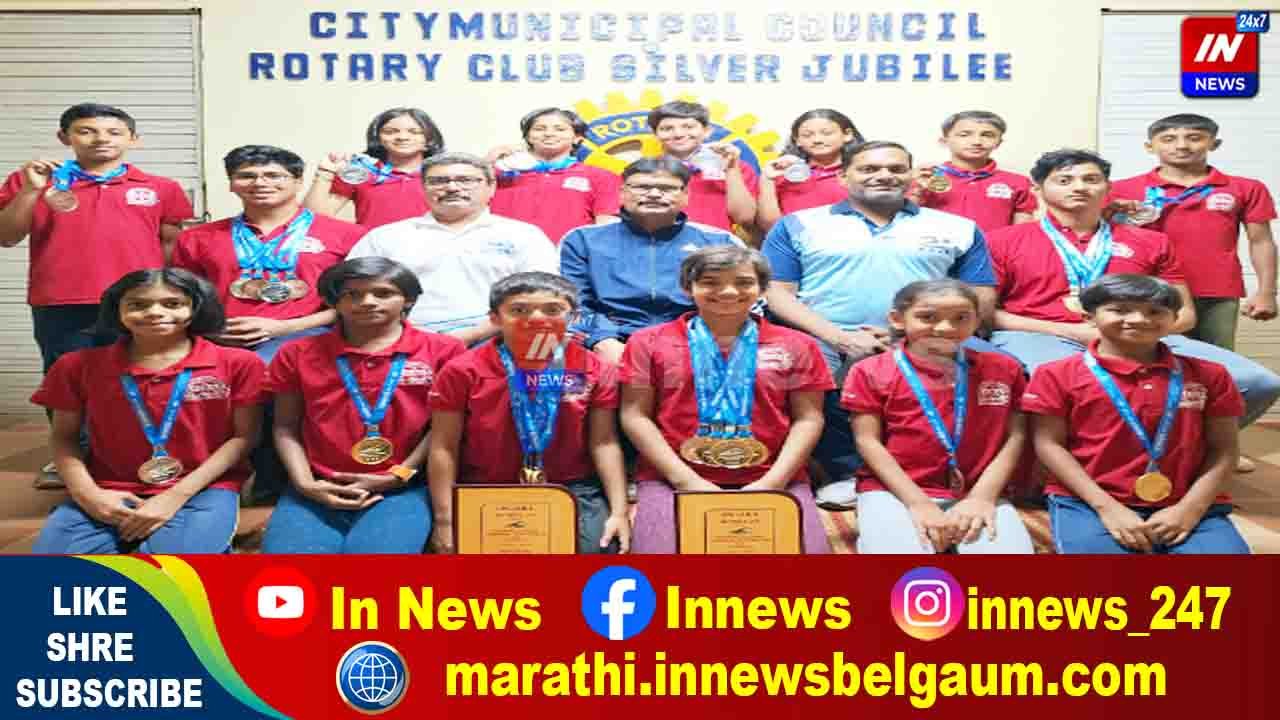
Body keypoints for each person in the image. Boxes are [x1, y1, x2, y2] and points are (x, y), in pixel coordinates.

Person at [762, 140, 996, 509]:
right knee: (801, 366)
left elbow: (980, 295)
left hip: (930, 332)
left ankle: (948, 473)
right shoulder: (800, 224)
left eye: (896, 168)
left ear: (910, 175)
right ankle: (844, 473)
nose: (884, 175)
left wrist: (909, 334)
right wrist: (839, 337)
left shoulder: (957, 227)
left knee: (998, 369)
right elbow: (776, 293)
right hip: (823, 333)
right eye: (869, 169)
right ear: (843, 176)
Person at [986, 148, 1280, 428]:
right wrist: (1074, 332)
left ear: (1108, 188)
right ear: (1038, 189)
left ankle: (1186, 446)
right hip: (1043, 334)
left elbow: (1185, 315)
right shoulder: (1002, 241)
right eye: (1064, 180)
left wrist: (1136, 333)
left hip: (1141, 334)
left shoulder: (1151, 242)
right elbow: (987, 314)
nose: (1079, 187)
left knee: (1258, 382)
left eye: (1091, 179)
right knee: (1077, 383)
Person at [0, 103, 194, 488]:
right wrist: (31, 191)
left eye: (114, 132)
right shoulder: (34, 181)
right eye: (86, 131)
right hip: (62, 301)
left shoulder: (160, 187)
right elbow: (6, 236)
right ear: (65, 138)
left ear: (133, 140)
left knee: (146, 377)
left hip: (143, 304)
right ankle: (72, 456)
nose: (101, 139)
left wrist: (173, 298)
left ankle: (146, 453)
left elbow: (172, 246)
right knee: (67, 382)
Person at [30, 269, 263, 553]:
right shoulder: (76, 366)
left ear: (196, 307)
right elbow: (64, 438)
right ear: (117, 310)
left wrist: (175, 496)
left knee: (176, 569)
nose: (154, 312)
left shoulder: (239, 363)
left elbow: (244, 437)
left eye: (173, 303)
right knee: (55, 571)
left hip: (203, 488)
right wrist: (87, 494)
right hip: (107, 487)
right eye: (137, 304)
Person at [620, 246, 832, 554]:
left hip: (774, 476)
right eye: (710, 282)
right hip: (671, 477)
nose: (729, 291)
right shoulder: (648, 342)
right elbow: (635, 415)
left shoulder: (797, 345)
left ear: (762, 289)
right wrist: (685, 481)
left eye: (744, 282)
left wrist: (773, 481)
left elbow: (809, 418)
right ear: (687, 287)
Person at [1024, 274, 1249, 554]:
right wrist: (1107, 508)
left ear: (1175, 319)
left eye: (1155, 312)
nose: (1140, 319)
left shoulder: (1210, 375)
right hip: (1087, 500)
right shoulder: (1055, 374)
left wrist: (1190, 508)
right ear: (1088, 316)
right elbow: (1049, 444)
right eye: (1119, 310)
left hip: (1186, 499)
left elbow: (1224, 450)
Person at [261, 258, 464, 554]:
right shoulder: (296, 352)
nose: (367, 301)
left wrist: (399, 475)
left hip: (404, 487)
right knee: (288, 569)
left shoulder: (444, 350)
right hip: (317, 485)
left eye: (383, 293)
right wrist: (304, 483)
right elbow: (285, 426)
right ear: (333, 302)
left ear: (408, 299)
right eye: (352, 294)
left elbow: (443, 431)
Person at [427, 272, 631, 554]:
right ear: (495, 318)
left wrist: (619, 511)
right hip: (483, 488)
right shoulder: (462, 370)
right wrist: (445, 519)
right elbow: (443, 446)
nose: (536, 318)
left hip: (571, 487)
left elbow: (604, 442)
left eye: (553, 310)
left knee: (601, 550)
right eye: (519, 310)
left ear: (574, 317)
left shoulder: (595, 369)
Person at [843, 279, 1034, 554]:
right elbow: (867, 441)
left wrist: (982, 497)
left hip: (978, 490)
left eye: (961, 318)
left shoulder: (1005, 368)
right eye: (928, 317)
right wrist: (917, 503)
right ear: (897, 319)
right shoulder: (870, 371)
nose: (945, 328)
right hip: (894, 490)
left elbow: (1016, 435)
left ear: (977, 320)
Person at [172, 145, 367, 363]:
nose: (260, 183)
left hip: (310, 337)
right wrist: (210, 330)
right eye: (246, 176)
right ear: (231, 184)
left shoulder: (348, 234)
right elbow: (185, 298)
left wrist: (286, 327)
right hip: (223, 341)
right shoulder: (196, 238)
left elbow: (360, 299)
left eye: (274, 175)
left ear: (298, 182)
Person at [346, 152, 556, 347]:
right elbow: (351, 292)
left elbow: (539, 296)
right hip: (403, 343)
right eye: (439, 181)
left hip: (498, 340)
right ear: (423, 187)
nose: (452, 187)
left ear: (491, 186)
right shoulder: (385, 236)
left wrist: (471, 335)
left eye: (466, 180)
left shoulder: (523, 234)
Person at [1109, 114, 1277, 351]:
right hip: (1143, 291)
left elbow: (1261, 242)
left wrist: (1267, 292)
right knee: (1143, 357)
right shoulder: (1120, 189)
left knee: (1215, 359)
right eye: (1168, 139)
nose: (1181, 145)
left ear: (1214, 144)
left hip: (1216, 290)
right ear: (1149, 146)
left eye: (1194, 138)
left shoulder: (1246, 188)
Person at [560, 156, 740, 366]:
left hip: (695, 340)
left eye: (667, 188)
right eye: (642, 187)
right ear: (622, 193)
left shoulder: (718, 241)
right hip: (611, 340)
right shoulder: (583, 240)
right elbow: (573, 304)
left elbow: (735, 302)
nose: (654, 194)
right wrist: (602, 340)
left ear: (685, 195)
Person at [486, 107, 620, 243]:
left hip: (568, 254)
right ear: (528, 137)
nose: (549, 134)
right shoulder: (495, 173)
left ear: (577, 138)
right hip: (500, 252)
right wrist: (488, 163)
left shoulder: (602, 177)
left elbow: (606, 230)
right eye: (539, 129)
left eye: (560, 129)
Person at [303, 107, 444, 228]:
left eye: (414, 132)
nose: (402, 137)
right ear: (377, 138)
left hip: (433, 249)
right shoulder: (360, 172)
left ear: (429, 138)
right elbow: (313, 219)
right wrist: (325, 173)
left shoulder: (444, 175)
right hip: (373, 250)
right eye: (390, 131)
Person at [910, 111, 1037, 232]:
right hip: (935, 247)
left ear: (998, 142)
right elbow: (904, 221)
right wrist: (916, 189)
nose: (977, 142)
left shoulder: (1018, 182)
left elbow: (1021, 233)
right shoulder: (924, 177)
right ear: (944, 141)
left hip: (993, 248)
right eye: (964, 135)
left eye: (987, 135)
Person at [647, 100, 757, 232]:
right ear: (655, 134)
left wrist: (731, 169)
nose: (678, 134)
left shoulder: (736, 168)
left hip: (715, 243)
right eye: (667, 129)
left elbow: (745, 218)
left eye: (688, 127)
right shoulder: (643, 170)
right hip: (659, 242)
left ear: (707, 131)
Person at [756, 109, 863, 231]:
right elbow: (771, 227)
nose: (817, 140)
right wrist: (767, 179)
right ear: (797, 140)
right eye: (807, 135)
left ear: (847, 135)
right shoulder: (782, 175)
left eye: (826, 133)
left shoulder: (864, 173)